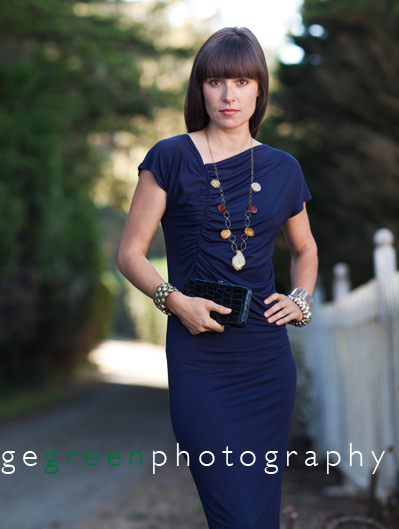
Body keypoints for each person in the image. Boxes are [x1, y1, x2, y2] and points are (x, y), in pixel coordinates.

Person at [117, 26, 318, 529]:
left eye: (242, 82)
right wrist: (174, 301)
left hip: (266, 361)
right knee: (233, 514)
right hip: (199, 361)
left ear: (259, 91)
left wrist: (300, 298)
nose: (229, 95)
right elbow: (130, 254)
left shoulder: (284, 169)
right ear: (200, 90)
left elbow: (305, 248)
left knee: (260, 515)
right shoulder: (169, 157)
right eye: (216, 82)